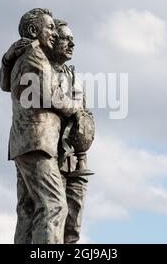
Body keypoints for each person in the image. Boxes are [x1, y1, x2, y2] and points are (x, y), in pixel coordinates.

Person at [0, 8, 79, 244]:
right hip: (38, 142)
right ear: (34, 31)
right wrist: (75, 107)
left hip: (23, 143)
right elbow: (48, 95)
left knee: (27, 209)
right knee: (54, 206)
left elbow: (4, 84)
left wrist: (7, 57)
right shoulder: (36, 56)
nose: (55, 33)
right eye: (50, 28)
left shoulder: (21, 57)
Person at [52, 19, 94, 244]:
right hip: (51, 157)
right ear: (52, 40)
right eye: (66, 39)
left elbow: (85, 115)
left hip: (76, 163)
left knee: (74, 225)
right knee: (53, 217)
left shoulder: (76, 78)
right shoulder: (43, 71)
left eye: (73, 40)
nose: (71, 44)